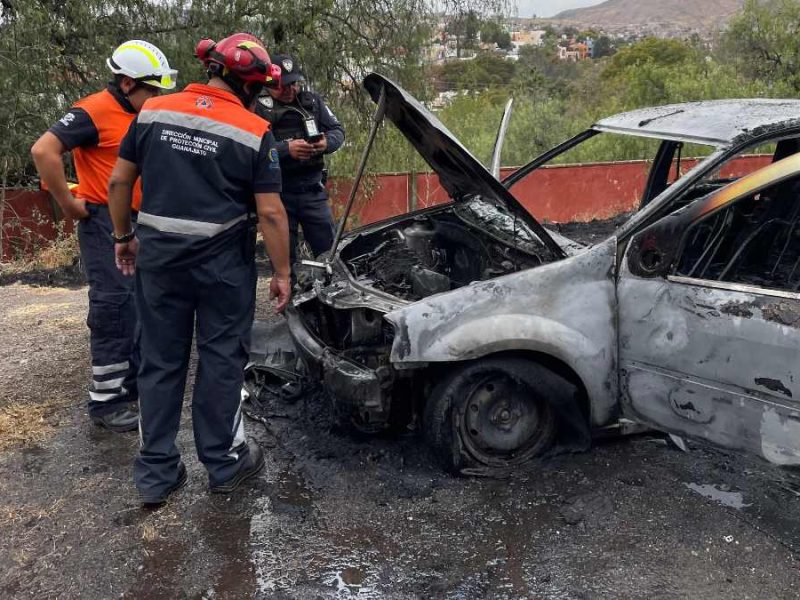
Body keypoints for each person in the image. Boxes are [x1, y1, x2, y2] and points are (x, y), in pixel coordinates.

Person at [107, 33, 291, 506]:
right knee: (221, 359)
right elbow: (270, 213)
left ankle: (156, 474)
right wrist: (283, 271)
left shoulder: (151, 112)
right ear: (250, 85)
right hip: (221, 269)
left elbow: (119, 181)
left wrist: (124, 238)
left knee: (160, 360)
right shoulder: (254, 131)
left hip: (160, 264)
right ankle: (226, 463)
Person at [31, 40, 177, 433]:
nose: (157, 97)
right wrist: (66, 202)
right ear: (128, 84)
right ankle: (107, 401)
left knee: (137, 304)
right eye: (152, 90)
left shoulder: (136, 113)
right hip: (102, 221)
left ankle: (129, 385)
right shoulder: (93, 110)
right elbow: (44, 150)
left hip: (137, 220)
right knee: (113, 305)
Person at [256, 54, 345, 266]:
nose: (290, 90)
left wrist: (326, 143)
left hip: (312, 191)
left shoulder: (312, 102)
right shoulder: (257, 107)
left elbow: (337, 130)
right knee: (285, 260)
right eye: (283, 86)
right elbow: (252, 149)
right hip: (278, 194)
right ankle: (289, 294)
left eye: (294, 84)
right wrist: (286, 150)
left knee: (328, 255)